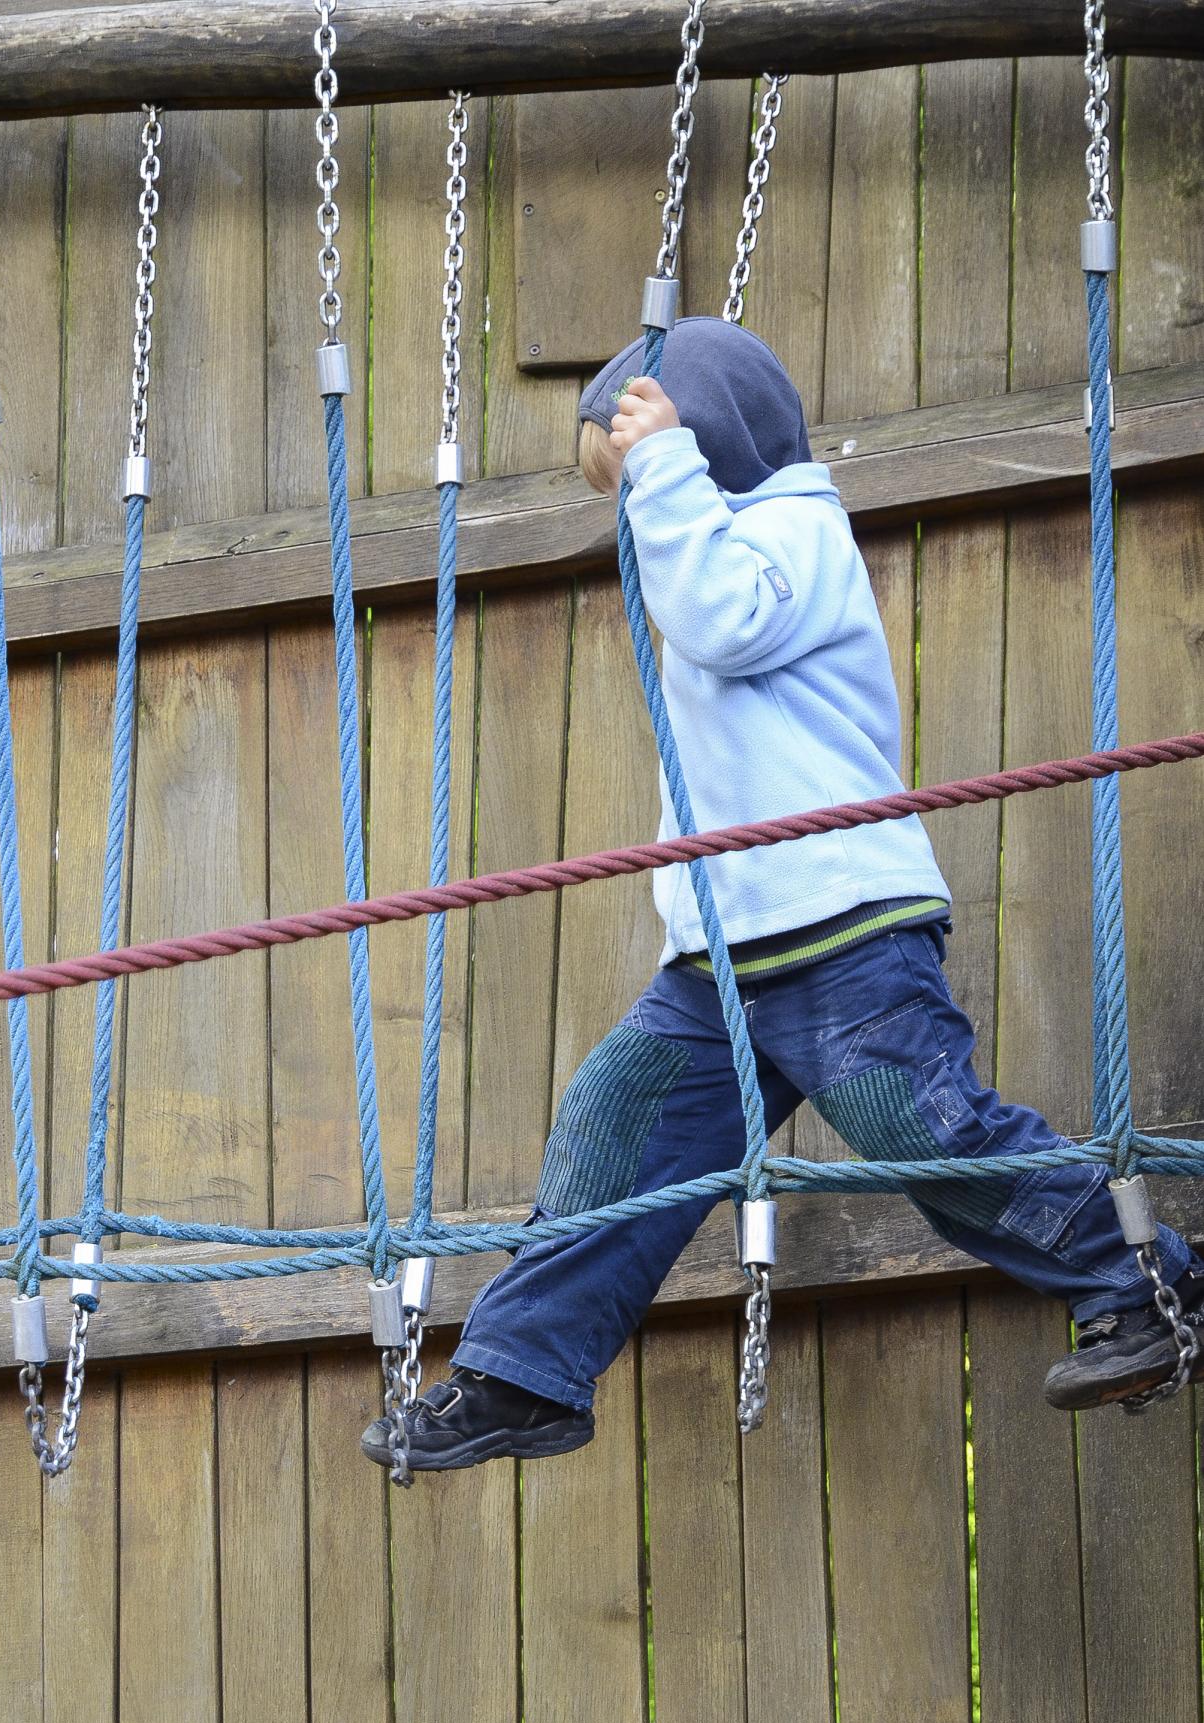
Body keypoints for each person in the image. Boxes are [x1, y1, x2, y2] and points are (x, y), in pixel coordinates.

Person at [362, 316, 1202, 1472]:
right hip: (718, 956)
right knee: (611, 1135)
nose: (633, 514)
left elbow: (726, 618)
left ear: (703, 452)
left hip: (842, 923)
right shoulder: (702, 534)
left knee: (926, 1132)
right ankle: (526, 1371)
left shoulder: (797, 536)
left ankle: (1146, 1286)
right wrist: (660, 488)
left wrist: (658, 473)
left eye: (640, 479)